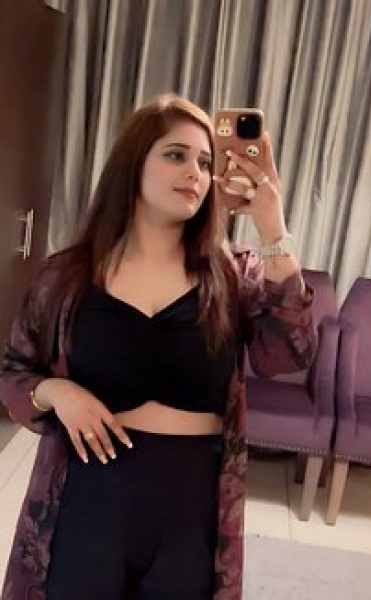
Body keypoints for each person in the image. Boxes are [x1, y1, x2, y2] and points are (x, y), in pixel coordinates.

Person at [0, 94, 316, 600]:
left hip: (189, 505)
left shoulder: (232, 275)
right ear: (133, 164)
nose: (195, 172)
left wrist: (272, 230)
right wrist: (58, 392)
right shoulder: (68, 275)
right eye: (175, 155)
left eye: (205, 162)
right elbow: (14, 371)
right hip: (87, 496)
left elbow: (287, 355)